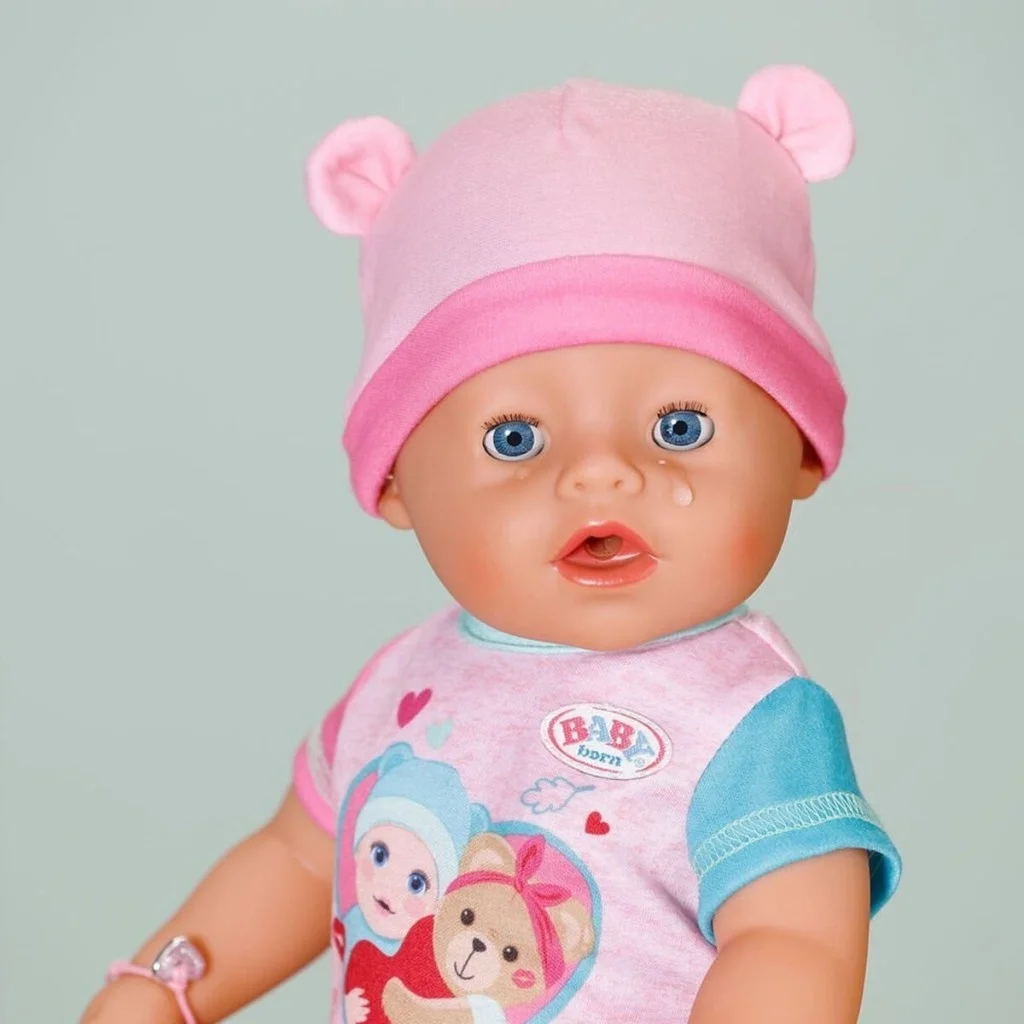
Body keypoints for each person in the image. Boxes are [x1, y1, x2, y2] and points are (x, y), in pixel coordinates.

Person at [82, 65, 902, 1024]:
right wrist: (161, 986)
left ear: (799, 446)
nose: (601, 476)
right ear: (396, 481)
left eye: (678, 427)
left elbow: (796, 942)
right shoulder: (401, 683)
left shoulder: (751, 722)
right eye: (516, 439)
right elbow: (299, 859)